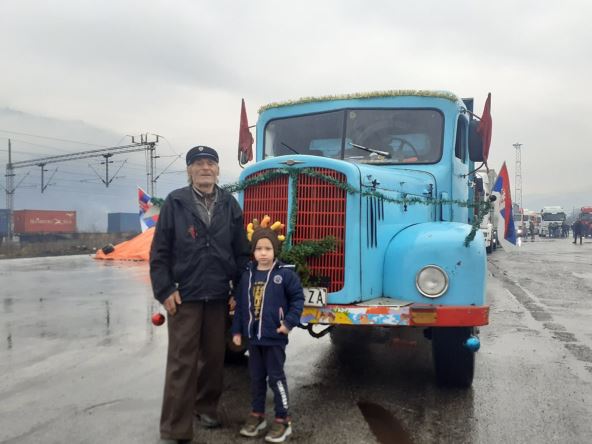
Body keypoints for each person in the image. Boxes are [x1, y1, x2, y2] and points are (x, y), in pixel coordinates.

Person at [150, 145, 251, 443]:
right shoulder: (175, 202)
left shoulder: (229, 204)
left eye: (210, 163)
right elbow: (159, 252)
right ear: (189, 171)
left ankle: (206, 407)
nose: (205, 168)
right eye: (198, 164)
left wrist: (238, 290)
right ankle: (175, 427)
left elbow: (241, 252)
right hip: (185, 295)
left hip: (219, 294)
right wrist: (165, 289)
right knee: (182, 361)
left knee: (215, 357)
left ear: (218, 170)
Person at [231, 227, 304, 443]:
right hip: (254, 339)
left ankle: (283, 420)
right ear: (253, 252)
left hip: (274, 338)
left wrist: (288, 323)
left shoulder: (285, 275)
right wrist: (237, 330)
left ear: (275, 251)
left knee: (276, 378)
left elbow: (297, 300)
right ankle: (257, 415)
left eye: (268, 248)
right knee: (256, 379)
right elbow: (241, 307)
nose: (263, 253)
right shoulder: (247, 276)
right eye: (259, 249)